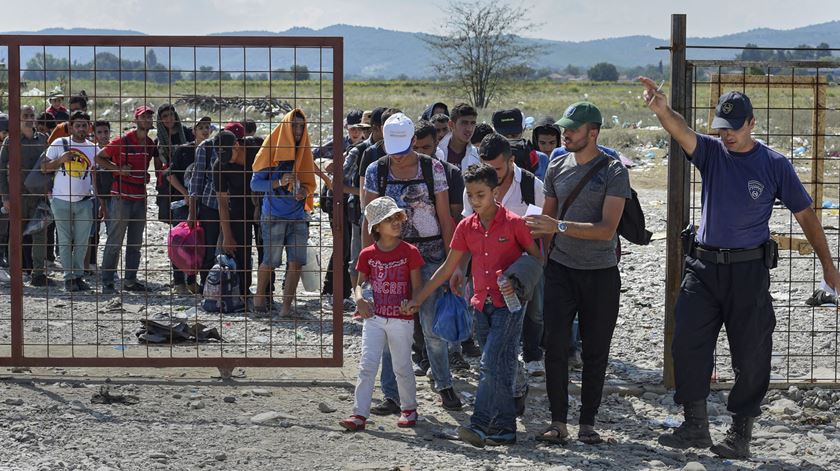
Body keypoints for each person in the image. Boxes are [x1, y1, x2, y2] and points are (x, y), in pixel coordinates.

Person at [640, 78, 840, 459]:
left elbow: (807, 216)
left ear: (752, 123)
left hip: (747, 271)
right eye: (721, 128)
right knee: (687, 343)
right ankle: (695, 425)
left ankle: (740, 433)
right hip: (703, 266)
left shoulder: (774, 165)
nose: (726, 135)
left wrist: (828, 265)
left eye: (733, 128)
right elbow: (682, 131)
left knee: (751, 353)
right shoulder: (712, 153)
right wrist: (662, 109)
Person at [408, 163, 542, 447]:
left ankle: (479, 424)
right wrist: (419, 298)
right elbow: (447, 267)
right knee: (502, 367)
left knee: (489, 363)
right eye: (470, 195)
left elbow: (536, 259)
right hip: (480, 305)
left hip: (511, 305)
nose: (474, 200)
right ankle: (505, 430)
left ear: (496, 192)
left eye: (481, 194)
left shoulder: (515, 223)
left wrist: (515, 278)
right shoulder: (466, 226)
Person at [526, 101, 629, 446]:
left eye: (572, 129)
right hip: (560, 270)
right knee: (554, 347)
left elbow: (606, 229)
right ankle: (558, 422)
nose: (564, 134)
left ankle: (588, 423)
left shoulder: (614, 171)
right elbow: (546, 223)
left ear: (593, 132)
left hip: (601, 273)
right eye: (564, 129)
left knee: (596, 350)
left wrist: (558, 226)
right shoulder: (556, 166)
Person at [362, 112, 461, 414]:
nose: (400, 158)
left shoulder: (434, 169)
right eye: (394, 152)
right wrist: (366, 270)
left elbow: (445, 219)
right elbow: (370, 222)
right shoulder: (375, 171)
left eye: (404, 151)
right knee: (392, 325)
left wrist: (454, 264)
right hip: (391, 258)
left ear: (414, 141)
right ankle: (392, 395)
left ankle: (443, 383)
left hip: (430, 256)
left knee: (432, 326)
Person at [462, 133, 546, 396]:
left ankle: (530, 359)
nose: (493, 174)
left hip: (523, 270)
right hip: (488, 274)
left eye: (497, 168)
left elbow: (546, 226)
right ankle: (513, 388)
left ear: (511, 161)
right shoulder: (476, 187)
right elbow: (468, 230)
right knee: (496, 341)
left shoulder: (533, 186)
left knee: (534, 314)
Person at [339, 196, 422, 431]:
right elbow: (360, 284)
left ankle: (409, 409)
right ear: (376, 227)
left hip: (401, 319)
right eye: (389, 219)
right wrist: (359, 300)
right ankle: (359, 413)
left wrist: (414, 303)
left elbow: (417, 286)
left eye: (398, 217)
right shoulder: (367, 254)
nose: (396, 223)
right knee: (367, 365)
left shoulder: (410, 252)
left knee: (402, 365)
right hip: (373, 318)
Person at [250, 109, 316, 316]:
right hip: (273, 216)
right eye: (294, 126)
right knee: (270, 261)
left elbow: (308, 183)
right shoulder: (271, 147)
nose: (297, 131)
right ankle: (259, 303)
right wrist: (280, 182)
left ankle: (286, 308)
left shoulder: (304, 149)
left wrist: (304, 192)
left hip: (297, 216)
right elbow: (255, 184)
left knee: (296, 262)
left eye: (301, 126)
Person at [96, 105, 161, 293]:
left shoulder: (149, 144)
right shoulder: (121, 141)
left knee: (135, 242)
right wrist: (117, 170)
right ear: (136, 120)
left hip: (140, 197)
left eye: (150, 117)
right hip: (121, 197)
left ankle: (130, 280)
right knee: (115, 240)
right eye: (144, 117)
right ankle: (107, 282)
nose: (147, 120)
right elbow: (100, 158)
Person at [41, 111, 100, 291]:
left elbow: (95, 175)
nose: (81, 129)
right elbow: (44, 167)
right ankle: (69, 278)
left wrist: (99, 200)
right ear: (71, 126)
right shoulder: (60, 143)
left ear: (89, 127)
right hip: (60, 200)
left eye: (84, 125)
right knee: (65, 240)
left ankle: (78, 275)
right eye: (78, 125)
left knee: (82, 241)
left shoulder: (93, 148)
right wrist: (60, 160)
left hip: (84, 200)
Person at [188, 122, 245, 288]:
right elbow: (196, 181)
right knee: (209, 248)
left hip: (234, 207)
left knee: (233, 247)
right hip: (210, 205)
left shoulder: (241, 150)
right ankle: (208, 286)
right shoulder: (206, 148)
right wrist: (192, 212)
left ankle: (233, 286)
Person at [0, 106, 49, 285]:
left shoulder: (43, 139)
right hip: (17, 196)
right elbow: (1, 169)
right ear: (18, 118)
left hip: (38, 196)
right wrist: (6, 197)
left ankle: (38, 275)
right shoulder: (11, 141)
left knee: (40, 235)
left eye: (31, 115)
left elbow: (49, 166)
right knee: (16, 237)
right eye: (25, 115)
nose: (29, 118)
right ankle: (16, 274)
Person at [167, 117, 211, 294]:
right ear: (193, 131)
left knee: (199, 243)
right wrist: (185, 194)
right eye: (201, 127)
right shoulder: (184, 151)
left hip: (204, 204)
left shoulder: (212, 150)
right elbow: (170, 175)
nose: (205, 130)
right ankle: (179, 283)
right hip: (183, 204)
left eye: (207, 127)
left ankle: (194, 282)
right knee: (180, 243)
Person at [215, 128, 255, 302]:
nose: (227, 161)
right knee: (240, 250)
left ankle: (266, 294)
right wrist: (227, 235)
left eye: (228, 155)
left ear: (237, 145)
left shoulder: (257, 148)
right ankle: (242, 293)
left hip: (263, 204)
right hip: (238, 208)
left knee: (265, 250)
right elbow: (222, 203)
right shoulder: (220, 166)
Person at [155, 104, 194, 223]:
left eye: (171, 114)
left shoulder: (188, 133)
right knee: (177, 219)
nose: (169, 118)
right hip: (171, 183)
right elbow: (158, 168)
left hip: (190, 180)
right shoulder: (159, 140)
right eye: (165, 116)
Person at [85, 119, 112, 274]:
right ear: (94, 134)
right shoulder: (92, 150)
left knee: (110, 231)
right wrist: (100, 200)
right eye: (99, 132)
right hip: (94, 195)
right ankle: (90, 263)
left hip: (111, 195)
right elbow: (93, 176)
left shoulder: (113, 149)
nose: (103, 135)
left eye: (105, 132)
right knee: (91, 231)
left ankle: (108, 266)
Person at [492, 108, 548, 179]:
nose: (509, 139)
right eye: (504, 136)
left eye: (514, 135)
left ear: (523, 129)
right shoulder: (484, 158)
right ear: (494, 133)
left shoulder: (541, 160)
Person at [438, 103, 478, 170]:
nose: (469, 129)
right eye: (464, 123)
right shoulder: (436, 152)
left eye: (473, 123)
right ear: (451, 125)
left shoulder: (477, 155)